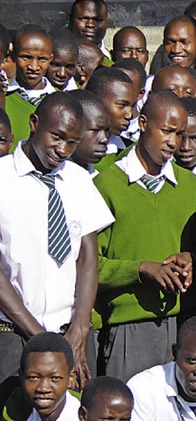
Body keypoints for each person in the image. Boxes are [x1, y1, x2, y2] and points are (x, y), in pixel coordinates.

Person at [0, 92, 114, 387]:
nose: (62, 149)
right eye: (57, 137)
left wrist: (80, 327)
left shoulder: (78, 180)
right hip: (13, 333)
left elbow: (87, 258)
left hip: (71, 335)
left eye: (72, 142)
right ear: (34, 123)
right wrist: (41, 339)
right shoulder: (3, 180)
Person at [93, 90, 196, 383]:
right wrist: (141, 269)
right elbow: (90, 267)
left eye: (180, 134)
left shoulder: (192, 188)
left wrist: (192, 259)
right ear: (143, 123)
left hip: (184, 327)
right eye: (167, 131)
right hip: (130, 328)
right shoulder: (106, 185)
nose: (174, 142)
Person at [0, 333, 81, 421]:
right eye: (34, 377)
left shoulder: (91, 416)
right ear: (21, 375)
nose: (43, 388)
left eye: (55, 378)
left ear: (70, 378)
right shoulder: (17, 405)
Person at [5, 25, 55, 154]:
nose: (33, 67)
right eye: (26, 57)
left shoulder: (59, 101)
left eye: (42, 59)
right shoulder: (3, 97)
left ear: (51, 59)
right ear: (14, 55)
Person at [85, 67, 136, 158]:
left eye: (133, 106)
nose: (129, 115)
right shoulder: (69, 148)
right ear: (97, 101)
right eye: (122, 105)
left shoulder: (130, 153)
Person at [69, 89, 109, 177]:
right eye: (95, 130)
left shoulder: (96, 179)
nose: (104, 139)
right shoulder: (49, 178)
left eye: (107, 130)